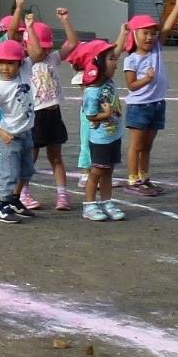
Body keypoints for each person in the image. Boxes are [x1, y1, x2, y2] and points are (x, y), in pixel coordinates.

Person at [17, 0, 80, 212]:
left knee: (56, 157)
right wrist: (29, 27)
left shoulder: (52, 58)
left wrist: (65, 21)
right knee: (31, 156)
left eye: (46, 47)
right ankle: (23, 192)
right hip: (35, 115)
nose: (43, 50)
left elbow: (72, 43)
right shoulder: (26, 63)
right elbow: (34, 50)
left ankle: (62, 194)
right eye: (40, 47)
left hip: (54, 113)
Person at [119, 0, 178, 195]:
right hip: (139, 106)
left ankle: (144, 176)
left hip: (157, 104)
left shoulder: (156, 48)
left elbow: (166, 28)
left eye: (152, 33)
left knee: (147, 146)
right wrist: (146, 80)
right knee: (136, 145)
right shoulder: (131, 59)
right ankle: (132, 180)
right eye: (145, 33)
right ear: (134, 35)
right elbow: (131, 85)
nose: (150, 37)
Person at [0, 38, 36, 223]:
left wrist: (29, 29)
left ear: (20, 63)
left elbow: (35, 54)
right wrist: (0, 132)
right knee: (9, 173)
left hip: (26, 134)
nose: (5, 67)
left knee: (27, 171)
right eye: (0, 63)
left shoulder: (24, 72)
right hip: (10, 137)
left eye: (10, 63)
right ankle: (2, 206)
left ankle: (15, 200)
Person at [76, 40, 128, 221]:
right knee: (97, 171)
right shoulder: (92, 91)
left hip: (113, 135)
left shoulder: (108, 82)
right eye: (111, 59)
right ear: (97, 64)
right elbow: (90, 116)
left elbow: (117, 49)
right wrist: (105, 115)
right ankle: (89, 205)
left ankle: (107, 201)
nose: (116, 62)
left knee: (109, 171)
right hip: (100, 138)